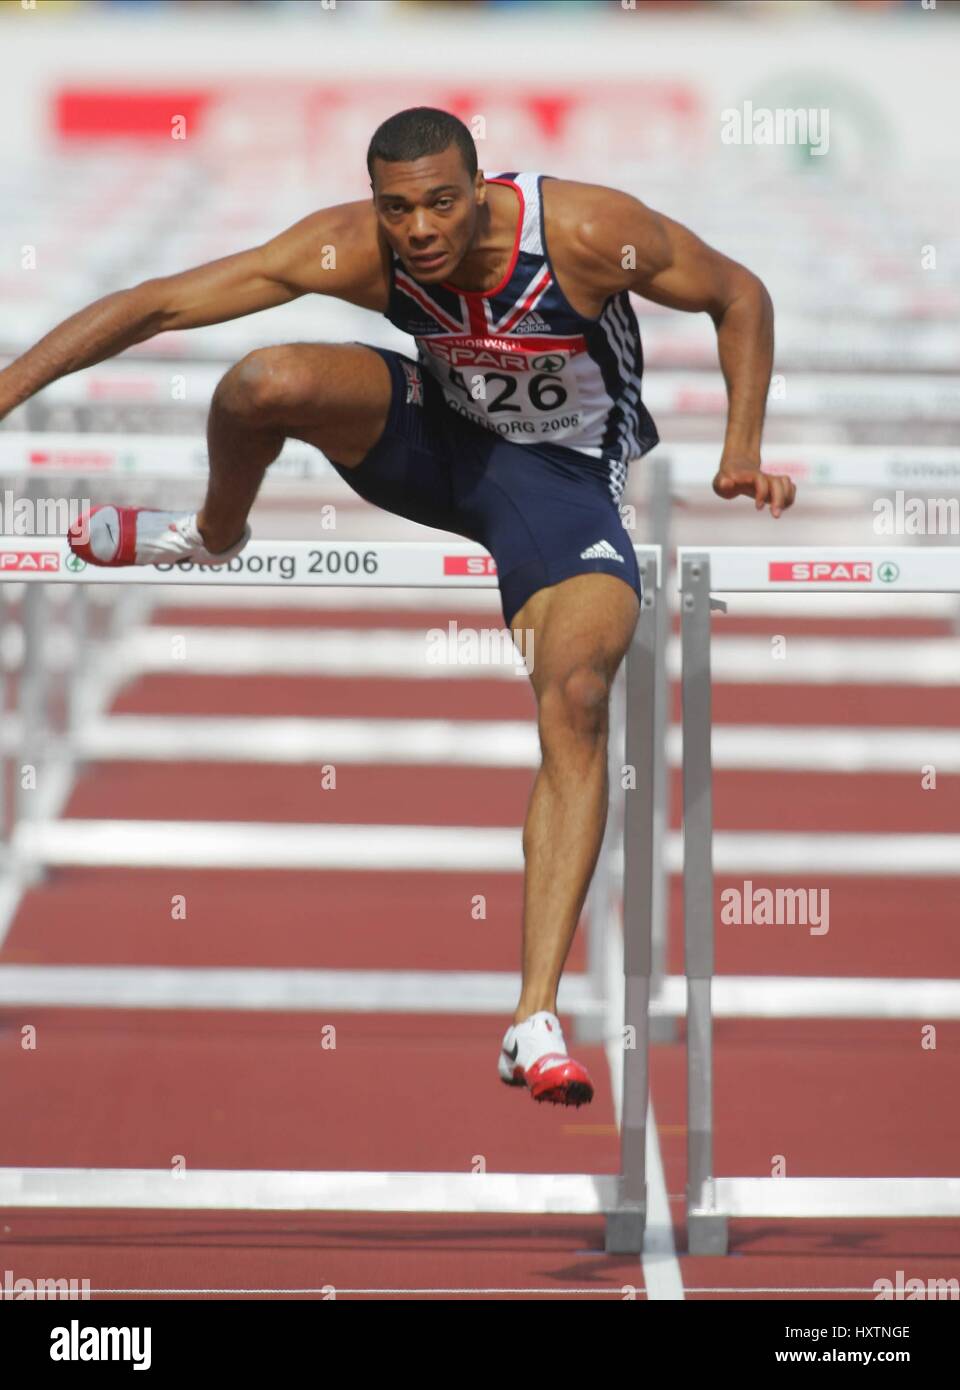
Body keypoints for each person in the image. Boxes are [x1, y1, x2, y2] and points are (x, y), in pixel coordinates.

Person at [0, 107, 795, 1107]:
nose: (419, 230)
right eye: (398, 209)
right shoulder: (357, 246)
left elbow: (740, 295)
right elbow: (160, 304)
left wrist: (742, 450)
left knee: (581, 692)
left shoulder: (587, 236)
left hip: (558, 489)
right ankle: (210, 532)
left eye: (440, 205)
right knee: (262, 381)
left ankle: (534, 1015)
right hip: (428, 438)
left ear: (480, 187)